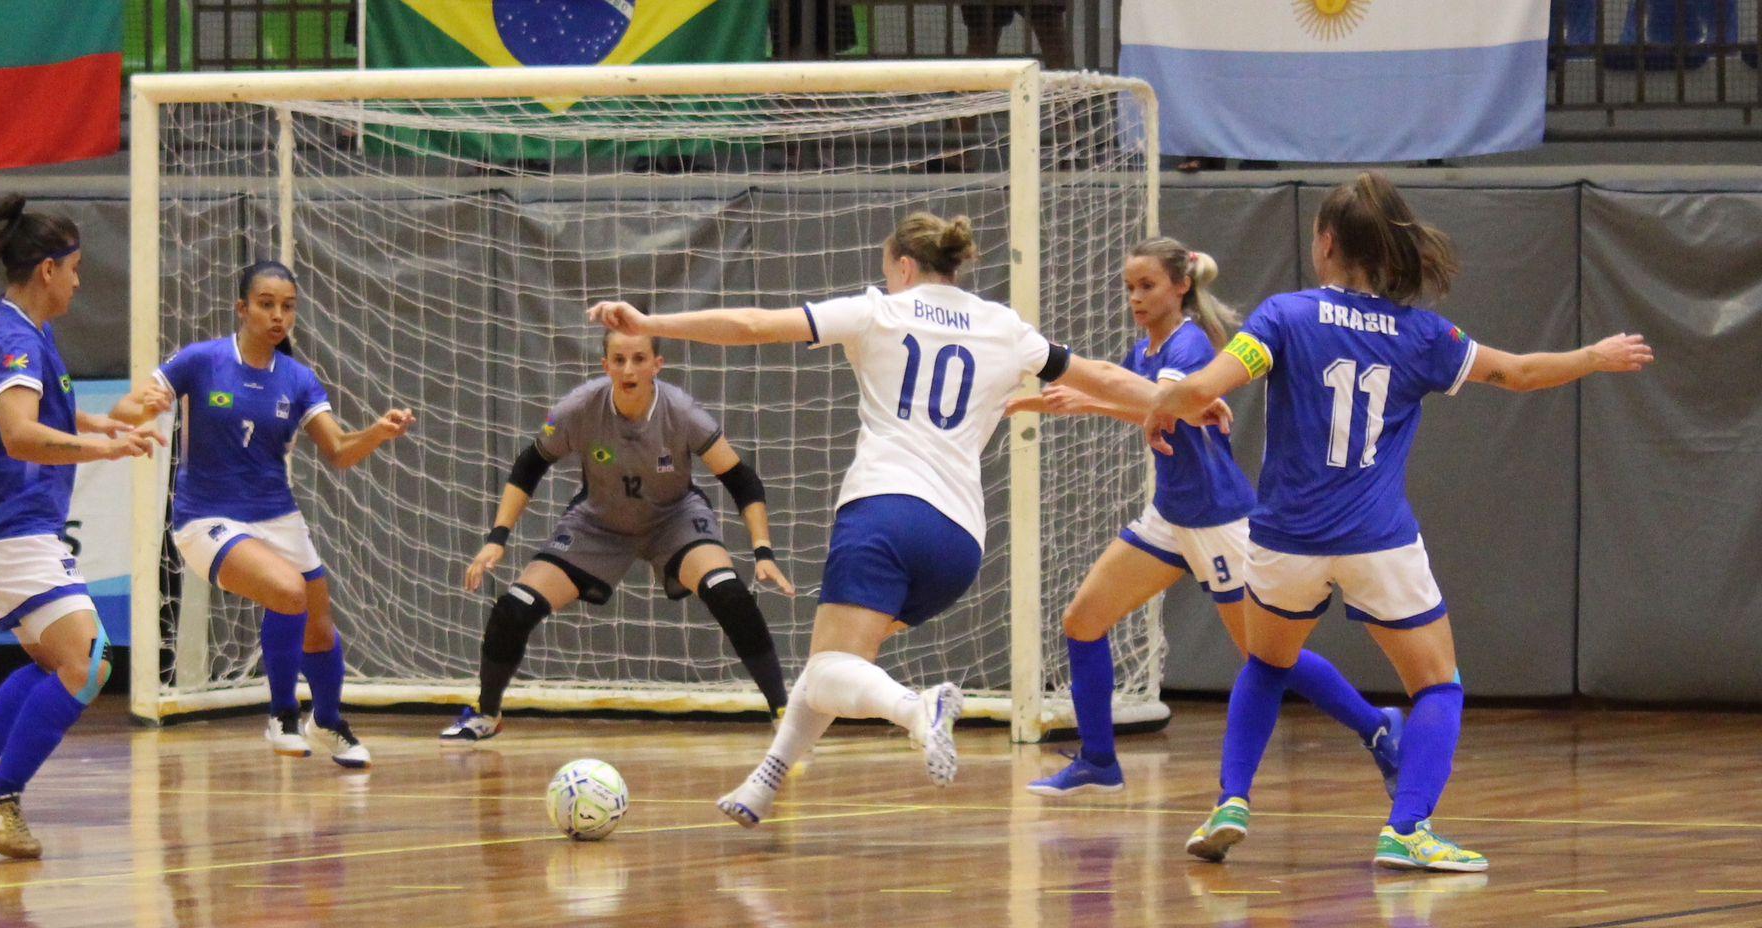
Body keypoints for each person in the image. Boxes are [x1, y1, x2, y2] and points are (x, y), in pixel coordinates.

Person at [588, 211, 1232, 827]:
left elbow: (753, 324)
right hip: (958, 544)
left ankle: (917, 707)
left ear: (901, 266)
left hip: (885, 512)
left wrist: (652, 321)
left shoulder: (879, 311)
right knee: (836, 665)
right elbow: (1104, 376)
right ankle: (765, 782)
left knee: (832, 666)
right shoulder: (1003, 325)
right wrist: (1187, 399)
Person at [1146, 171, 1653, 871]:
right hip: (1377, 541)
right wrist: (1594, 356)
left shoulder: (1284, 316)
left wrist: (1168, 407)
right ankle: (1408, 828)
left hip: (1285, 540)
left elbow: (1202, 387)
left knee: (1266, 663)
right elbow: (1518, 373)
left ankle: (1232, 800)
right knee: (1437, 684)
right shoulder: (1424, 334)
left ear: (1326, 243)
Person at [1006, 238, 1402, 798]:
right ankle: (1098, 761)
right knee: (1083, 621)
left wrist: (1085, 398)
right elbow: (1149, 409)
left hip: (1218, 519)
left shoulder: (1189, 344)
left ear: (1181, 286)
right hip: (1172, 515)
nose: (1136, 298)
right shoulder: (1147, 349)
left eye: (1148, 286)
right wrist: (1071, 401)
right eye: (1130, 287)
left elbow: (1165, 403)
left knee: (1265, 655)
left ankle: (1377, 726)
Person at [0, 195, 164, 859]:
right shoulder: (15, 341)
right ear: (48, 269)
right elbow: (19, 434)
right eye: (75, 268)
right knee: (90, 663)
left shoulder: (19, 325)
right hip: (9, 531)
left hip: (1, 530)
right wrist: (104, 450)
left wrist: (97, 423)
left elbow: (40, 411)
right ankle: (2, 800)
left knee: (56, 664)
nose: (80, 282)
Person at [123, 261, 414, 768]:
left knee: (319, 628)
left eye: (288, 306)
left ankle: (327, 721)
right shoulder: (202, 361)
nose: (278, 316)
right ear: (243, 308)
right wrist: (139, 410)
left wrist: (378, 431)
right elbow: (128, 410)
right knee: (287, 591)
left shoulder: (298, 379)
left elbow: (339, 451)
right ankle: (282, 714)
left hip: (277, 515)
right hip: (206, 518)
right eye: (266, 304)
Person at [443, 329, 795, 742]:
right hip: (598, 524)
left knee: (729, 593)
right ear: (605, 365)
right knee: (514, 608)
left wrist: (763, 551)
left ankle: (782, 711)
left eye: (639, 359)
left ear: (657, 365)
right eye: (619, 360)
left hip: (674, 519)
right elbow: (529, 465)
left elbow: (741, 479)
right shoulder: (577, 409)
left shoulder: (682, 412)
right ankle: (487, 714)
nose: (629, 369)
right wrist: (497, 538)